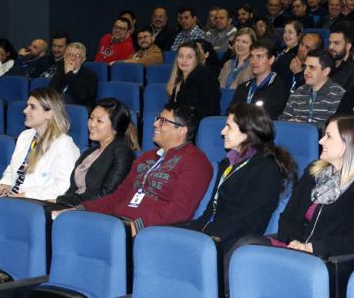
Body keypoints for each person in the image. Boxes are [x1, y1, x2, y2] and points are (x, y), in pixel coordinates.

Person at [235, 115, 354, 259]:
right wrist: (294, 243)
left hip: (327, 257)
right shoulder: (314, 170)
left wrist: (312, 248)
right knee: (245, 248)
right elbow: (287, 217)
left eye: (328, 136)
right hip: (294, 247)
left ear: (349, 142)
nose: (321, 141)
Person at [65, 103, 213, 236]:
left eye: (163, 121)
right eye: (157, 119)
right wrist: (79, 210)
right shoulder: (147, 157)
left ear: (181, 130)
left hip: (149, 232)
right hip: (118, 223)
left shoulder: (195, 161)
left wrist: (136, 227)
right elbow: (117, 197)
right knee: (67, 224)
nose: (155, 124)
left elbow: (179, 210)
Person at [179, 103, 297, 252]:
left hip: (232, 244)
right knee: (156, 235)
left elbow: (247, 222)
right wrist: (190, 231)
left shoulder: (267, 169)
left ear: (247, 132)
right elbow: (210, 212)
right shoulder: (227, 163)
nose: (222, 132)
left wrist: (203, 239)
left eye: (228, 127)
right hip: (209, 234)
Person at [0, 88, 79, 200]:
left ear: (49, 114)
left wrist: (27, 195)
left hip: (36, 204)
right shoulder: (25, 136)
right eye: (27, 106)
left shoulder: (64, 144)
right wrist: (5, 186)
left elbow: (64, 187)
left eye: (32, 107)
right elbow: (12, 169)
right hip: (14, 198)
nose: (25, 110)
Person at [55, 98, 139, 207]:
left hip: (92, 212)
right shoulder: (91, 151)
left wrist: (60, 200)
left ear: (115, 128)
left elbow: (105, 195)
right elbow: (72, 188)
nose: (92, 124)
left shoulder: (122, 153)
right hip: (72, 206)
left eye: (99, 121)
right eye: (91, 118)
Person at [282, 49, 346, 127]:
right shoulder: (299, 91)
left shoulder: (337, 94)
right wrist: (289, 123)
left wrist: (304, 127)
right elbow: (283, 120)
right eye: (305, 67)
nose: (305, 72)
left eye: (312, 67)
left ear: (326, 71)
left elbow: (338, 128)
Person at [231, 41, 289, 119]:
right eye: (251, 56)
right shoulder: (243, 87)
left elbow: (269, 118)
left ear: (271, 60)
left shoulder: (279, 88)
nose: (254, 61)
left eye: (259, 56)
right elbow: (231, 114)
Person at [166, 41, 221, 120]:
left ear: (196, 59)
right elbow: (173, 105)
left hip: (199, 124)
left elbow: (206, 110)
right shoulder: (179, 79)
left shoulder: (206, 77)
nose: (184, 60)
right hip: (182, 121)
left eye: (189, 57)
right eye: (181, 56)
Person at [49, 42, 98, 110]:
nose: (73, 58)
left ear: (83, 60)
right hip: (57, 108)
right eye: (70, 54)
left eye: (77, 56)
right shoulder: (59, 73)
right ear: (64, 57)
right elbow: (51, 92)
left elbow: (82, 97)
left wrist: (69, 74)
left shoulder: (90, 76)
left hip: (78, 109)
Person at [328, 22, 354, 91]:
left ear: (348, 46)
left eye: (336, 43)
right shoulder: (324, 65)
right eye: (329, 43)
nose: (331, 47)